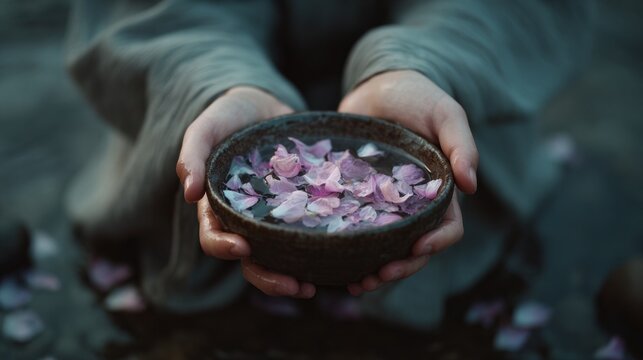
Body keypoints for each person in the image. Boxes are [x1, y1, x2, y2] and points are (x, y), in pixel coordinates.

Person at [65, 0, 595, 327]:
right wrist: (217, 83)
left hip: (447, 105)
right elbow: (151, 11)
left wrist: (423, 65)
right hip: (198, 123)